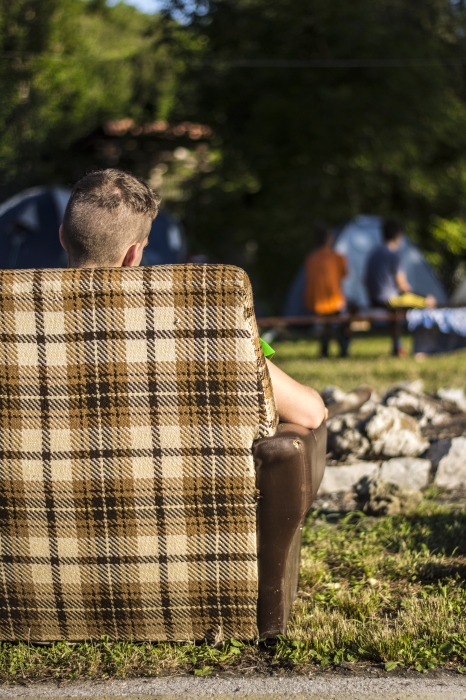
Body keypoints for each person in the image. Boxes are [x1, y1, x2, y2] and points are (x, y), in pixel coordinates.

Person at [60, 169, 327, 430]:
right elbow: (311, 413)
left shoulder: (35, 318)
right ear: (132, 255)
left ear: (62, 237)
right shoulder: (194, 319)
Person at [365, 219, 436, 356]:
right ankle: (426, 346)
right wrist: (420, 296)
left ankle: (397, 346)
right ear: (398, 235)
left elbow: (365, 279)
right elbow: (403, 286)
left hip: (374, 298)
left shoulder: (373, 254)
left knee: (396, 313)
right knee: (429, 302)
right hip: (389, 299)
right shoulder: (393, 255)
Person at [303, 224, 349, 357]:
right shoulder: (337, 257)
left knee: (325, 326)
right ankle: (343, 350)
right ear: (330, 239)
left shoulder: (310, 259)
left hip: (316, 302)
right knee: (343, 324)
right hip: (335, 300)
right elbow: (343, 276)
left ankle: (324, 351)